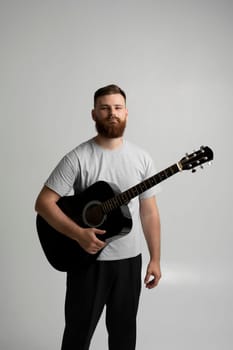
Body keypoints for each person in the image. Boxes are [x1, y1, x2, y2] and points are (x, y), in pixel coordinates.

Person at [35, 84, 161, 350]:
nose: (111, 113)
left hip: (129, 262)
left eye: (117, 108)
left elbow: (149, 212)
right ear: (94, 114)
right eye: (104, 108)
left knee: (124, 336)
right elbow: (44, 203)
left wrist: (155, 259)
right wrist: (78, 234)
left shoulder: (142, 158)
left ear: (126, 113)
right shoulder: (77, 158)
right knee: (78, 336)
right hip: (87, 262)